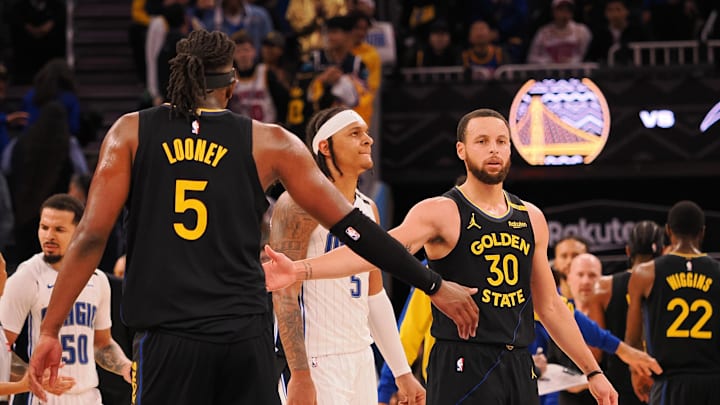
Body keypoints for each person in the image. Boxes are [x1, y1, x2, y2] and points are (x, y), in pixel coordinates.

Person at [26, 29, 478, 404]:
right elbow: (357, 229)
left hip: (169, 340)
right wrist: (432, 284)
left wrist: (49, 330)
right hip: (243, 337)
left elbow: (89, 238)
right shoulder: (269, 142)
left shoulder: (131, 132)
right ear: (233, 84)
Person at [264, 108, 623, 405]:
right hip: (460, 361)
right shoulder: (439, 211)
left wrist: (592, 371)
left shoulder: (531, 217)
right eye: (482, 141)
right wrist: (301, 269)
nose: (494, 149)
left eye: (501, 141)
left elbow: (551, 307)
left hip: (516, 361)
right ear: (461, 150)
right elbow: (379, 253)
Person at [270, 107, 425, 404]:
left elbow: (374, 295)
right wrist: (300, 375)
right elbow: (284, 295)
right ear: (325, 146)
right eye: (355, 133)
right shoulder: (298, 205)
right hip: (315, 360)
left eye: (367, 133)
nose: (368, 140)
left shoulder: (368, 209)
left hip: (360, 355)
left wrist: (401, 371)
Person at [0, 194, 132, 404]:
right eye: (44, 227)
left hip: (89, 395)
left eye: (59, 229)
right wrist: (32, 376)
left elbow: (102, 344)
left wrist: (125, 366)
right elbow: (2, 350)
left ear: (80, 232)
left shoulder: (97, 280)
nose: (48, 236)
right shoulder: (26, 278)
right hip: (43, 397)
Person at [625, 200, 720, 404]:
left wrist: (637, 371)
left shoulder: (645, 273)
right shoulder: (718, 273)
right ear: (702, 232)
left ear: (668, 231)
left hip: (669, 381)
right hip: (713, 380)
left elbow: (632, 339)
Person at [593, 220, 664, 405]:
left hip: (619, 384)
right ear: (663, 251)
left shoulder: (603, 287)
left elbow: (597, 352)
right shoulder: (670, 284)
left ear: (628, 251)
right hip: (660, 377)